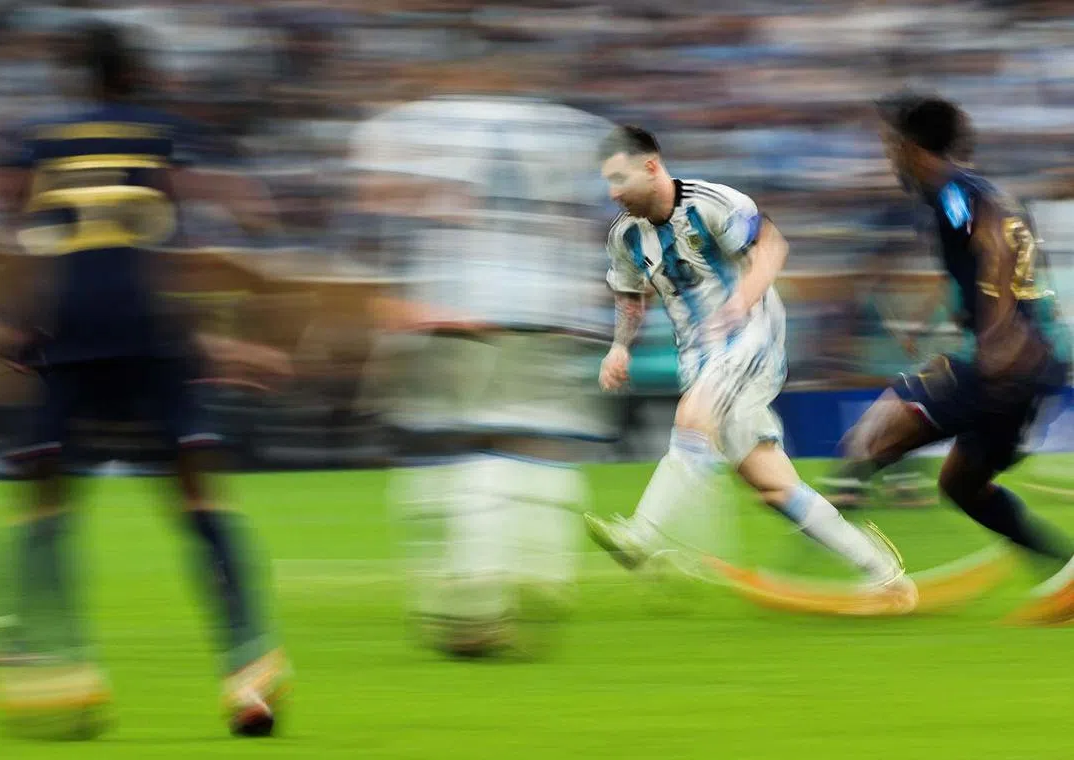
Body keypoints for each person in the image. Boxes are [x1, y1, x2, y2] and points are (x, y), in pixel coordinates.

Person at [0, 21, 290, 738]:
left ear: (73, 78)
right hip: (149, 332)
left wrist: (10, 325)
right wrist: (224, 333)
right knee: (197, 499)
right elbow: (227, 215)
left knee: (46, 503)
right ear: (135, 76)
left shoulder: (33, 138)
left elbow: (5, 233)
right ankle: (251, 676)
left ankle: (57, 678)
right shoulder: (164, 132)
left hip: (65, 332)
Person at [351, 53, 616, 658]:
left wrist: (392, 302)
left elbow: (386, 210)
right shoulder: (571, 126)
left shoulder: (416, 121)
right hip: (548, 307)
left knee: (462, 447)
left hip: (455, 301)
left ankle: (473, 600)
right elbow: (596, 219)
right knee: (535, 446)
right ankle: (546, 571)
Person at [584, 125, 916, 606]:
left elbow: (772, 246)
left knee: (692, 420)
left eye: (619, 178)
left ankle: (642, 534)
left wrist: (742, 300)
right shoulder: (625, 237)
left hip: (750, 335)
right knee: (773, 485)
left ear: (651, 166)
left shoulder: (711, 202)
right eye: (607, 182)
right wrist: (619, 347)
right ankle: (883, 573)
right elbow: (630, 296)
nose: (613, 193)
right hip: (698, 354)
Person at [829, 93, 1074, 624]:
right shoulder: (979, 190)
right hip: (1036, 365)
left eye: (891, 146)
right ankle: (1067, 571)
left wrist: (998, 327)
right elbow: (974, 263)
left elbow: (993, 248)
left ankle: (869, 566)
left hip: (1003, 361)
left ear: (914, 148)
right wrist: (933, 319)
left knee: (871, 437)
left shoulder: (955, 194)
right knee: (960, 485)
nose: (889, 157)